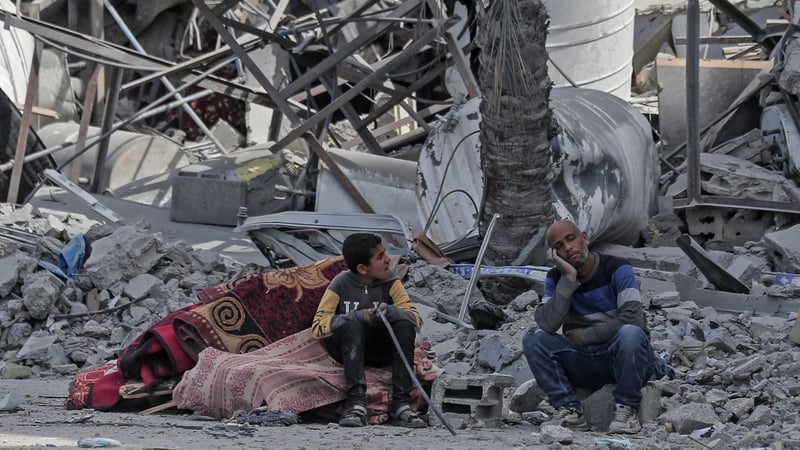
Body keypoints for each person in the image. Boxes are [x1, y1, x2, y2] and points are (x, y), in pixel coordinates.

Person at [522, 220, 671, 434]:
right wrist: (568, 280)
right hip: (584, 361)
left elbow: (634, 319)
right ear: (554, 254)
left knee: (630, 333)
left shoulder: (618, 268)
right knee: (533, 338)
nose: (567, 248)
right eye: (559, 246)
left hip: (626, 358)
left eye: (571, 239)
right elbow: (546, 324)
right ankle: (570, 412)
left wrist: (586, 335)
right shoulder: (555, 278)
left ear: (585, 238)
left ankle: (626, 412)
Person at [311, 233, 426, 428]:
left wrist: (391, 312)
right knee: (353, 324)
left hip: (381, 352)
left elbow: (417, 320)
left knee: (404, 324)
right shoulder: (340, 283)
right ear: (362, 268)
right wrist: (357, 316)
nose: (388, 259)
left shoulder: (391, 281)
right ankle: (356, 404)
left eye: (385, 253)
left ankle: (402, 404)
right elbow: (318, 327)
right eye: (380, 257)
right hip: (348, 349)